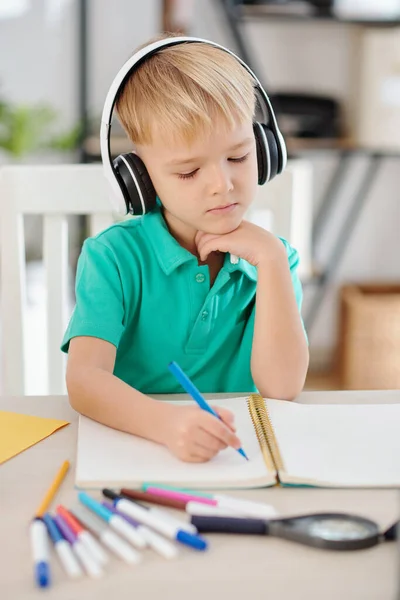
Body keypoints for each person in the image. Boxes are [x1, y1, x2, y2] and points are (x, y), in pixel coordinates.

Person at [62, 34, 309, 463]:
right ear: (139, 177)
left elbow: (282, 389)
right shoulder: (113, 259)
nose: (222, 184)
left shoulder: (275, 258)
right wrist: (166, 424)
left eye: (238, 157)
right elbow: (85, 379)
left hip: (236, 452)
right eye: (189, 171)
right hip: (134, 447)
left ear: (265, 150)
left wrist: (270, 262)